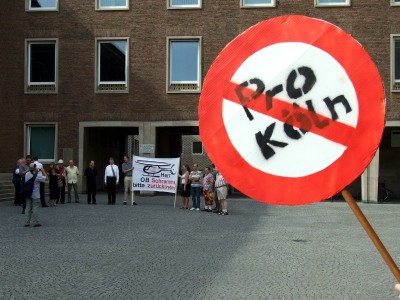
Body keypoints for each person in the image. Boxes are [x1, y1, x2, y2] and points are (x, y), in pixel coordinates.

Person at [24, 163, 47, 227]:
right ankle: (35, 222)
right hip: (35, 194)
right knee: (35, 208)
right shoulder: (37, 176)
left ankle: (27, 222)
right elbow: (46, 178)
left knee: (28, 208)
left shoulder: (26, 174)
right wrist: (43, 171)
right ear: (35, 168)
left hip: (28, 193)